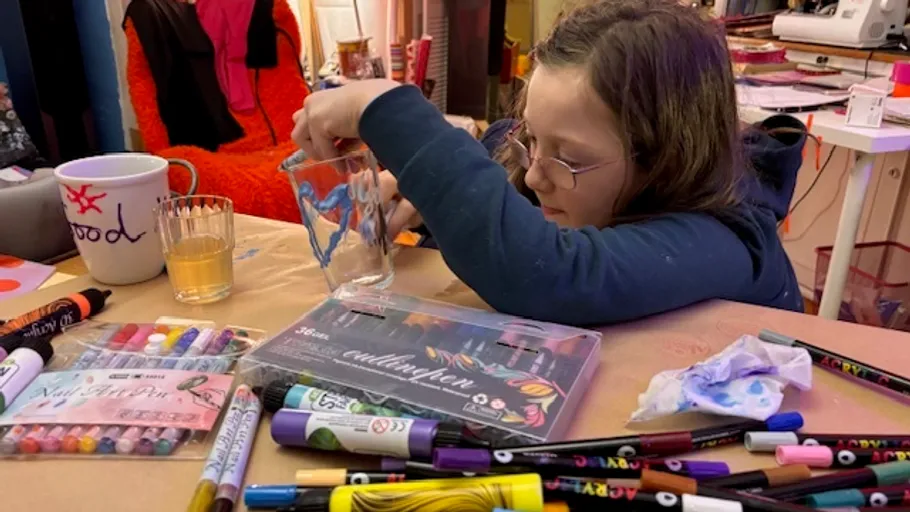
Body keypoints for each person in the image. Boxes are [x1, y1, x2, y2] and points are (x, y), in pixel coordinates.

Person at [291, 0, 806, 326]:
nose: (536, 175)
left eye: (569, 158)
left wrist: (382, 106)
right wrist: (434, 202)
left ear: (665, 159)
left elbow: (550, 274)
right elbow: (496, 150)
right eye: (531, 137)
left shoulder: (731, 242)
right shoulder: (568, 176)